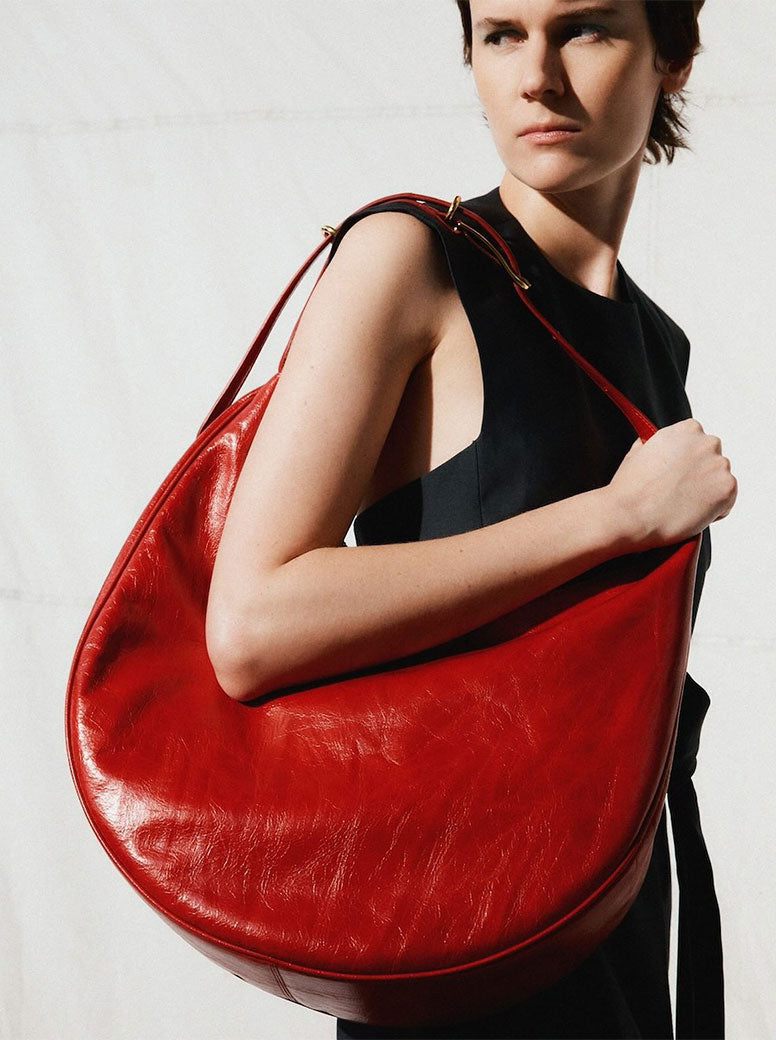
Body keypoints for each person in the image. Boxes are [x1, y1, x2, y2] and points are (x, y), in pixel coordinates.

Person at [205, 1, 737, 1036]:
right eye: (500, 33)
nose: (536, 75)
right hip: (451, 919)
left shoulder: (653, 344)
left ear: (671, 53)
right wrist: (615, 516)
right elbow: (252, 622)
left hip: (610, 909)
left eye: (584, 29)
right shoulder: (411, 260)